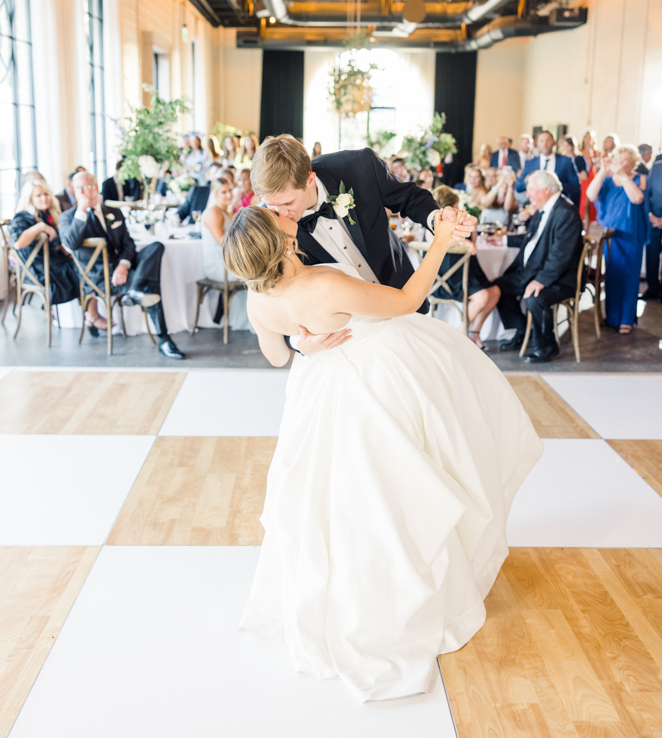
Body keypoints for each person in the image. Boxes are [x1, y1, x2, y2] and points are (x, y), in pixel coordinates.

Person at [220, 203, 543, 703]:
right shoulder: (323, 284)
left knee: (331, 499)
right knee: (398, 486)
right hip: (372, 384)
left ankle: (344, 595)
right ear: (281, 242)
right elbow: (410, 300)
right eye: (277, 217)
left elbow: (278, 354)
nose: (284, 214)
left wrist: (305, 345)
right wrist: (438, 241)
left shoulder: (258, 299)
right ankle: (396, 599)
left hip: (315, 392)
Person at [249, 136, 476, 344]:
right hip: (347, 335)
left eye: (288, 203)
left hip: (401, 294)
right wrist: (300, 344)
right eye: (271, 205)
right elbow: (279, 296)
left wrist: (436, 219)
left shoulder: (358, 166)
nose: (280, 214)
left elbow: (408, 197)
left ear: (310, 180)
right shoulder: (269, 225)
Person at [59, 172, 185, 358]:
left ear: (95, 187)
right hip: (100, 277)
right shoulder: (68, 217)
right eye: (78, 189)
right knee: (150, 286)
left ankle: (136, 288)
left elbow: (128, 244)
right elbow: (70, 244)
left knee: (156, 247)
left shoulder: (113, 212)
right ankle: (164, 339)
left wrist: (124, 264)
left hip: (122, 269)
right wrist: (82, 212)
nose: (82, 192)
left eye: (86, 186)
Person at [495, 169, 584, 362]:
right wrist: (501, 241)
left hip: (560, 278)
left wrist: (540, 281)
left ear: (545, 189)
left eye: (530, 190)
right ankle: (522, 331)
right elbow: (531, 239)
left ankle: (547, 346)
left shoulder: (566, 213)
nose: (527, 195)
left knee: (536, 297)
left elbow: (561, 255)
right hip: (535, 270)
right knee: (498, 287)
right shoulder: (543, 209)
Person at [586, 144, 648, 334]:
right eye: (619, 159)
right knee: (612, 276)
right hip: (611, 237)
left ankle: (626, 319)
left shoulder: (639, 179)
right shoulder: (607, 181)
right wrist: (603, 171)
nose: (622, 163)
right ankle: (612, 317)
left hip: (631, 236)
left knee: (629, 277)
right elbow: (590, 195)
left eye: (626, 160)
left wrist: (622, 176)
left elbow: (637, 198)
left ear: (633, 163)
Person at [433, 185, 500, 349]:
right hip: (446, 279)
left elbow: (473, 245)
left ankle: (473, 333)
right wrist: (465, 241)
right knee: (482, 296)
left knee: (495, 292)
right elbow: (435, 239)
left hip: (464, 272)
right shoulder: (434, 224)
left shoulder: (456, 224)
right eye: (455, 206)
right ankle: (458, 335)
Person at [10, 179, 80, 305]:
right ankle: (90, 315)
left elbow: (61, 246)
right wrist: (40, 227)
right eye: (38, 195)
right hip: (37, 269)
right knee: (81, 271)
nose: (44, 198)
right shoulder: (23, 217)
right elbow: (18, 244)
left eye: (46, 194)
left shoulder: (48, 215)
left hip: (54, 262)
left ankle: (88, 313)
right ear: (29, 199)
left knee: (85, 265)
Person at [200, 178, 254, 331]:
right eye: (224, 192)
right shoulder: (212, 213)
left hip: (230, 261)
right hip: (218, 265)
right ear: (215, 194)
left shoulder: (229, 212)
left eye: (230, 190)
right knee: (256, 273)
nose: (229, 194)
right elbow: (224, 242)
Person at [516, 129, 581, 207]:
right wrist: (533, 184)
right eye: (541, 141)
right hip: (535, 207)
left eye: (548, 140)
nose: (545, 144)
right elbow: (519, 187)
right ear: (537, 143)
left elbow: (576, 186)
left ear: (554, 142)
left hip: (559, 207)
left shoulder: (566, 161)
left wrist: (555, 186)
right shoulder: (530, 163)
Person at [644, 150, 662, 301]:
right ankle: (652, 288)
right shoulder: (656, 163)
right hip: (654, 219)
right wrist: (650, 215)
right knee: (651, 254)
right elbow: (647, 192)